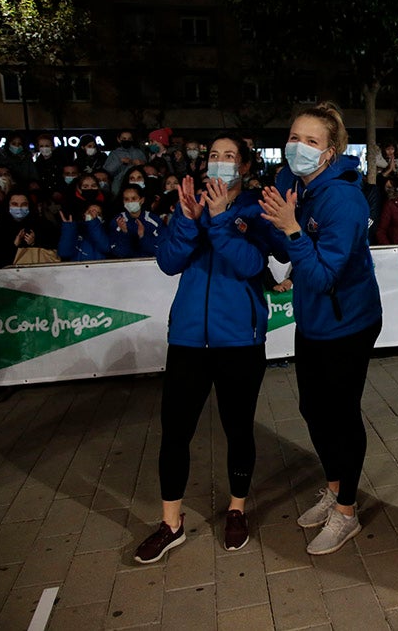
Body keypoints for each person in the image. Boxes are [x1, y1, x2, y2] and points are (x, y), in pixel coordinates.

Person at [134, 133, 270, 564]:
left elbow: (251, 265)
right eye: (213, 155)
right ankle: (170, 524)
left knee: (238, 428)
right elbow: (168, 262)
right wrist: (191, 220)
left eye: (230, 157)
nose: (220, 162)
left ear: (244, 167)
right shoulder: (188, 207)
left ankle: (236, 509)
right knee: (175, 432)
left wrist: (221, 217)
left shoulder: (254, 210)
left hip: (240, 342)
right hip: (188, 340)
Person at [259, 102, 382, 556]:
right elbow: (285, 246)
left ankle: (347, 512)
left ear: (331, 152)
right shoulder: (291, 183)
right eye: (294, 137)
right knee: (312, 409)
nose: (298, 147)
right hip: (313, 318)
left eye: (311, 141)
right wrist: (268, 224)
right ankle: (334, 487)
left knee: (341, 415)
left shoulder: (342, 199)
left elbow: (323, 274)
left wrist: (292, 231)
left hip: (349, 322)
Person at [0, 190, 59, 268]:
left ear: (30, 205)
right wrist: (14, 245)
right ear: (7, 205)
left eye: (24, 204)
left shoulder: (43, 224)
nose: (19, 208)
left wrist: (35, 242)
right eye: (15, 204)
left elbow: (55, 244)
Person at [108, 184, 161, 258]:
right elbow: (119, 252)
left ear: (142, 200)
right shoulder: (117, 221)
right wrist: (125, 233)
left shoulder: (154, 220)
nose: (130, 202)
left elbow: (160, 249)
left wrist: (142, 236)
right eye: (126, 199)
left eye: (133, 198)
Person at [103, 129, 148, 195]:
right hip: (119, 184)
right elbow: (107, 171)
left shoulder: (138, 152)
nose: (127, 140)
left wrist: (142, 163)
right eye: (124, 138)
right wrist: (120, 161)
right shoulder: (114, 153)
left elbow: (147, 168)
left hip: (137, 181)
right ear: (119, 139)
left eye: (129, 139)